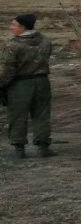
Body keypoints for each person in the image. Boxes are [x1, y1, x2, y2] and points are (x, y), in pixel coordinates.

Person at [1, 14, 54, 159]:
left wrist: (2, 85)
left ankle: (19, 148)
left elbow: (7, 70)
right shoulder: (45, 41)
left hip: (20, 84)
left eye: (14, 25)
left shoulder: (12, 45)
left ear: (22, 27)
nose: (11, 27)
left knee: (18, 115)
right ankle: (43, 147)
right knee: (42, 114)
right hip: (42, 81)